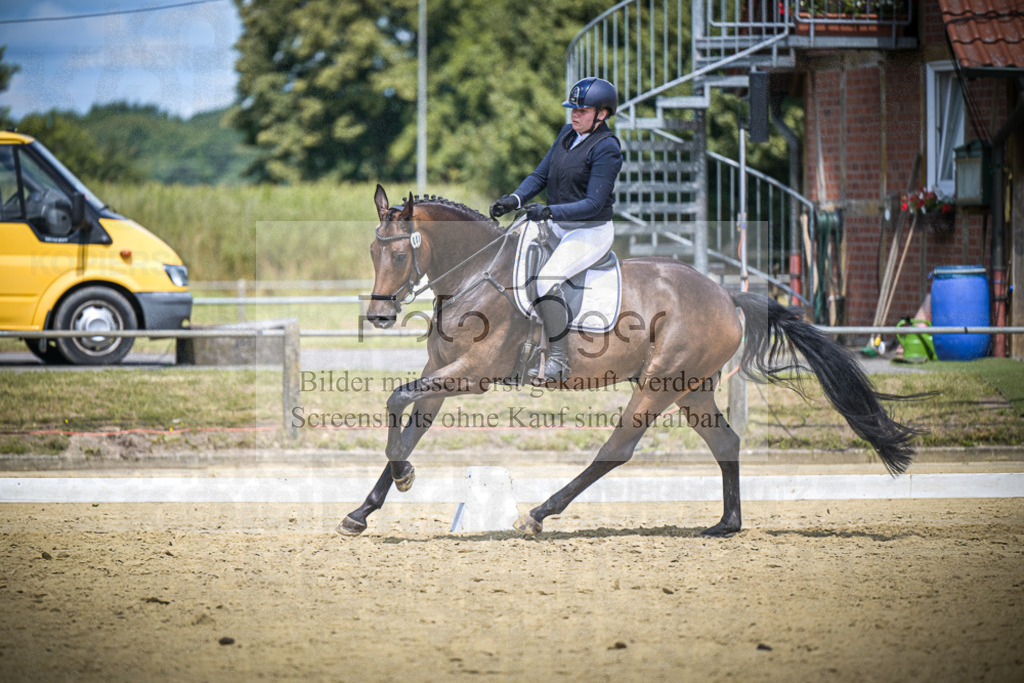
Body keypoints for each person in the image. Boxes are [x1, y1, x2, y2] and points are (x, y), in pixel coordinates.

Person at [490, 77, 622, 382]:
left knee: (546, 280)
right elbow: (540, 175)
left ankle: (559, 361)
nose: (574, 115)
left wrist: (548, 211)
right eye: (572, 109)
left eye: (583, 110)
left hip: (589, 230)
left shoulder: (607, 148)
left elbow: (592, 203)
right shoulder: (566, 134)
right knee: (508, 259)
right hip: (557, 224)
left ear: (602, 114)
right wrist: (514, 199)